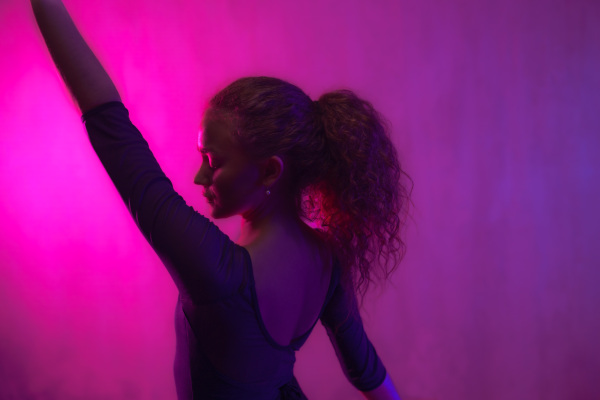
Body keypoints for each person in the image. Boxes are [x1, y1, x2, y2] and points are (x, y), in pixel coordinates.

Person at [31, 0, 411, 399]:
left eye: (213, 162)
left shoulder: (217, 271)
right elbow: (367, 372)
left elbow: (109, 124)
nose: (199, 177)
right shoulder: (328, 261)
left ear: (270, 171)